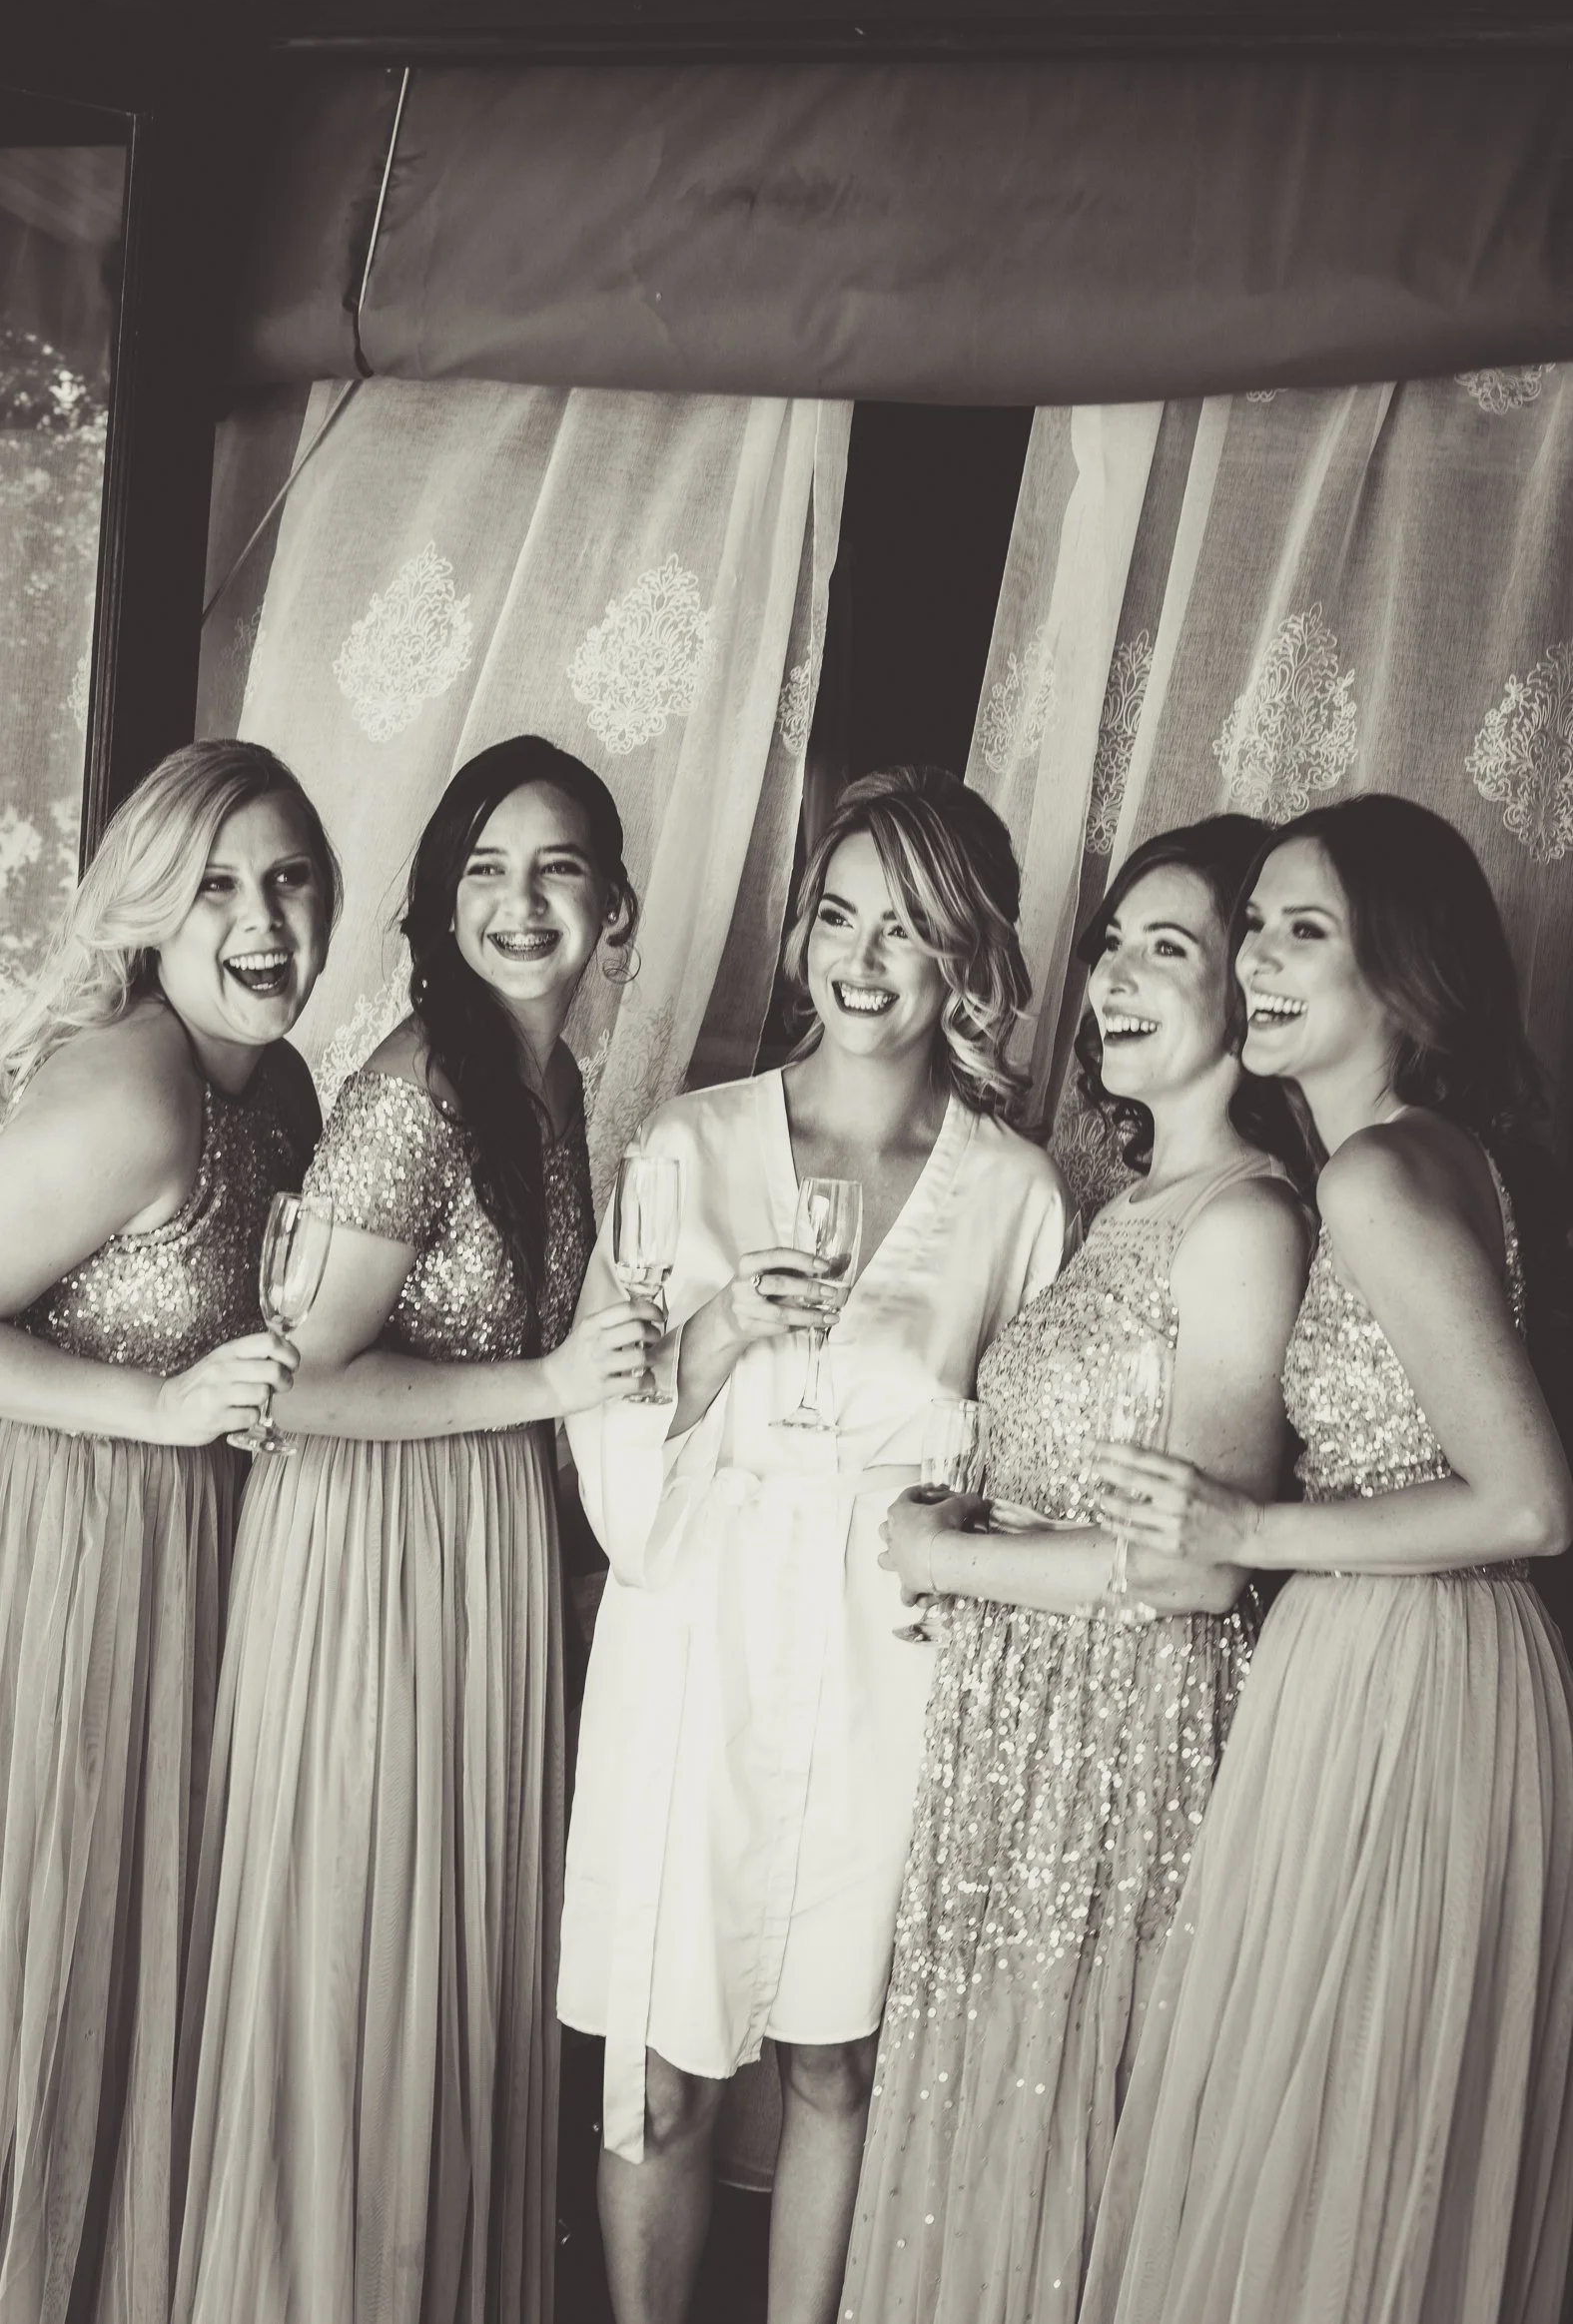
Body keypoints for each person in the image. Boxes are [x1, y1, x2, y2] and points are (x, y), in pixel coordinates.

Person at [559, 768, 1070, 2324]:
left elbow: (1021, 1450)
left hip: (880, 1666)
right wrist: (711, 1338)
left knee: (835, 2056)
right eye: (836, 914)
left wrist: (955, 1537)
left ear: (965, 957)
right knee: (659, 2069)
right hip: (695, 1628)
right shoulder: (687, 1146)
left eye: (906, 928)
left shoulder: (1015, 1196)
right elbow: (602, 1423)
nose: (860, 957)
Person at [171, 738, 656, 2324]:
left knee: (456, 1971)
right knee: (371, 1957)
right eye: (484, 870)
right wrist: (546, 1380)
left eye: (557, 867)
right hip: (372, 1561)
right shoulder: (416, 1092)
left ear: (615, 905)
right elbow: (294, 1395)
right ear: (440, 906)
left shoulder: (550, 1079)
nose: (521, 902)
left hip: (482, 1549)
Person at [1081, 793, 1573, 2324]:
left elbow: (1529, 1503)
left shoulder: (1375, 1175)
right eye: (1253, 928)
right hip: (1372, 1661)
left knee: (1337, 2116)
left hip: (1409, 1678)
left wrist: (1248, 1532)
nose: (1258, 958)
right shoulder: (1405, 1159)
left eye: (1305, 929)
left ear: (1401, 971)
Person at [837, 815, 1311, 2324]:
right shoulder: (1123, 1209)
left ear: (1242, 986)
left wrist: (946, 1556)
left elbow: (1195, 1572)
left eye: (1161, 949)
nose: (1110, 976)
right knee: (982, 2116)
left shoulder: (1238, 1222)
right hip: (1020, 1738)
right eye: (1107, 942)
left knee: (1059, 2123)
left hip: (1121, 1745)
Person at [0, 740, 335, 2324]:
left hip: (198, 1566)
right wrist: (148, 1411)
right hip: (69, 1566)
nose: (262, 919)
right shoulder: (127, 1087)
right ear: (150, 908)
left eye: (287, 880)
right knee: (55, 1960)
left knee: (150, 1973)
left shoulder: (278, 1084)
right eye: (217, 884)